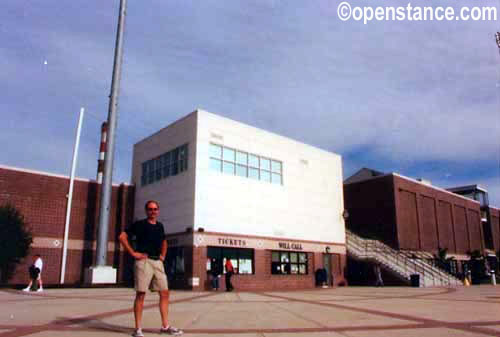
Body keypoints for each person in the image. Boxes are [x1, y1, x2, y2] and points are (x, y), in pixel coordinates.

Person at [119, 200, 183, 337]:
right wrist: (133, 253)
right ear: (146, 210)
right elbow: (122, 237)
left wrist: (163, 256)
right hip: (143, 262)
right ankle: (138, 329)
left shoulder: (160, 226)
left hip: (157, 262)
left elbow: (164, 241)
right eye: (150, 209)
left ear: (158, 211)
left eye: (155, 209)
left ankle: (165, 326)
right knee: (141, 294)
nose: (152, 211)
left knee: (165, 293)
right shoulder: (139, 224)